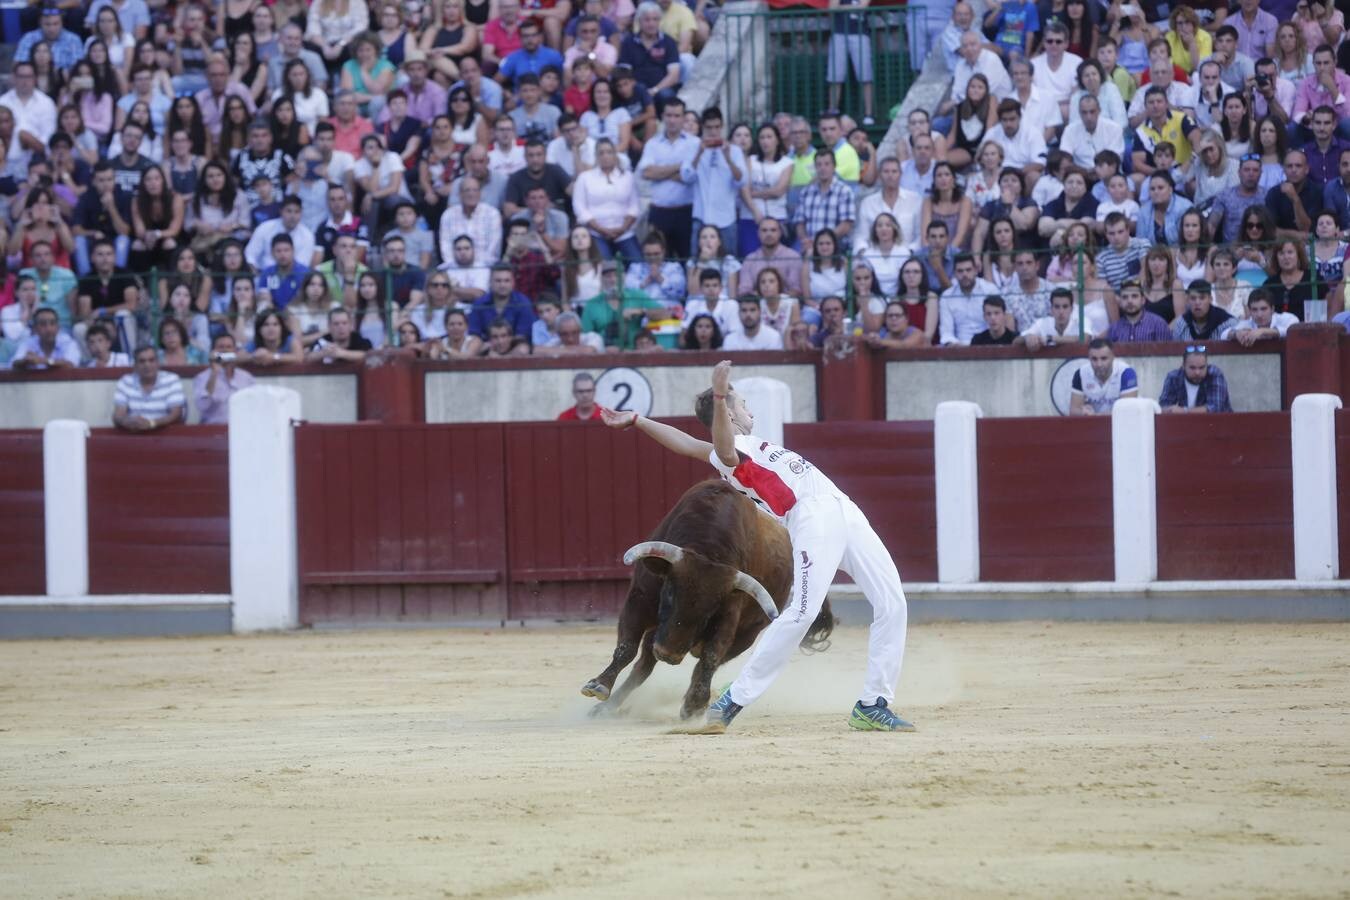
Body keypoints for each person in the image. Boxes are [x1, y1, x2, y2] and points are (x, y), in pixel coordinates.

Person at [599, 359, 913, 732]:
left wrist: (638, 420)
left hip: (844, 509)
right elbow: (719, 445)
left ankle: (872, 703)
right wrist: (719, 396)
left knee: (893, 602)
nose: (751, 411)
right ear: (730, 414)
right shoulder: (730, 454)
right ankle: (732, 700)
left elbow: (684, 444)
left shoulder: (744, 446)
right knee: (801, 612)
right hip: (812, 516)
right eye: (744, 405)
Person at [112, 344, 186, 431]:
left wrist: (152, 423)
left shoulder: (171, 380)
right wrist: (127, 422)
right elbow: (118, 415)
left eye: (151, 360)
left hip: (165, 435)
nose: (147, 365)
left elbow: (176, 414)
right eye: (142, 361)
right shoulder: (125, 381)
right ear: (135, 365)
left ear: (158, 363)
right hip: (133, 434)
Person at [192, 333, 254, 424]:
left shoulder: (247, 378)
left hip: (242, 429)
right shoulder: (202, 377)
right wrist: (214, 373)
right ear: (213, 351)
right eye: (221, 347)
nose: (225, 350)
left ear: (235, 351)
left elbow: (253, 407)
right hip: (212, 430)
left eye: (229, 347)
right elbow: (203, 406)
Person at [939, 254, 998, 346]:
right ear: (954, 273)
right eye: (960, 271)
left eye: (968, 270)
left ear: (975, 270)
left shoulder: (990, 290)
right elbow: (946, 332)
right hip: (958, 349)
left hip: (988, 346)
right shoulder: (947, 296)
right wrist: (955, 346)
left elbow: (998, 325)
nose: (965, 274)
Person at [1069, 339, 1137, 415]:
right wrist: (1083, 412)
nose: (1099, 364)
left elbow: (1128, 411)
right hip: (1093, 423)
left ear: (1113, 357)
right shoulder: (1081, 374)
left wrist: (1096, 416)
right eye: (1094, 359)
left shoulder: (1126, 373)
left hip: (1120, 424)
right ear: (1089, 358)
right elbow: (1073, 410)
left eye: (1104, 358)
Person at [1158, 346, 1234, 413]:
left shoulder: (1214, 374)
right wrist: (1170, 410)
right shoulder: (1173, 377)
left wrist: (1184, 411)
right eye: (1192, 368)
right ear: (1183, 366)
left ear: (1207, 365)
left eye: (1202, 367)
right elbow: (1164, 407)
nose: (1197, 372)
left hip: (1218, 425)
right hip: (1185, 425)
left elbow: (1215, 408)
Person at [9, 306, 81, 370]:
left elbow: (70, 365)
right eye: (43, 324)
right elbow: (14, 364)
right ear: (35, 329)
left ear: (58, 327)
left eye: (52, 323)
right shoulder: (28, 343)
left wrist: (43, 361)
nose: (48, 329)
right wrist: (25, 361)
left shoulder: (68, 342)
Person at [1172, 280, 1237, 341]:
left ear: (1210, 299)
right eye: (1193, 298)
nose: (1197, 302)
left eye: (1202, 298)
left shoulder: (1226, 321)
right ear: (1188, 300)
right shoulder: (1181, 324)